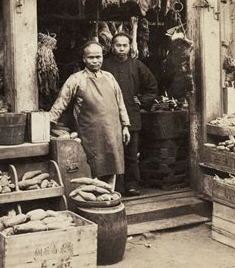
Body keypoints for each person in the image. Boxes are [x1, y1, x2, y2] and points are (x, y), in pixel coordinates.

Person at [49, 41, 131, 181]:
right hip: (90, 132)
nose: (95, 61)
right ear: (84, 59)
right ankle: (94, 199)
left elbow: (120, 103)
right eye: (91, 57)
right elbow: (61, 102)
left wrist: (126, 126)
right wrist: (49, 122)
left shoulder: (109, 77)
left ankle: (108, 195)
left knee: (113, 165)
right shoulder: (76, 79)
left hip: (113, 130)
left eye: (98, 57)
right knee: (93, 168)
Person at [102, 32, 158, 196]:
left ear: (130, 47)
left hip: (131, 115)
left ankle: (132, 184)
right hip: (108, 116)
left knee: (131, 153)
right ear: (112, 47)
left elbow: (152, 86)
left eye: (124, 45)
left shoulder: (137, 65)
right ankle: (114, 187)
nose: (121, 49)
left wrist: (142, 100)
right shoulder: (104, 65)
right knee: (111, 152)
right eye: (118, 45)